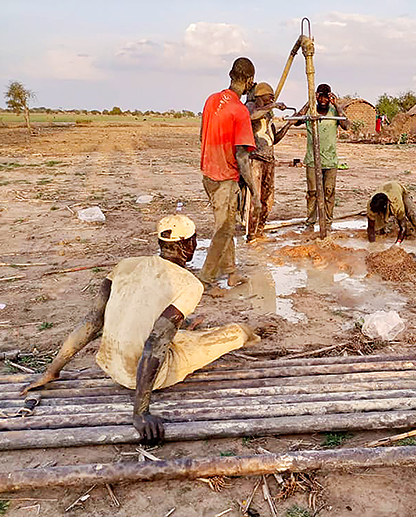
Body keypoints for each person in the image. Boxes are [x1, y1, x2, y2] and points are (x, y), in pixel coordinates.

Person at [21, 215, 259, 443]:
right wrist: (140, 412)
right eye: (194, 241)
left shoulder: (125, 265)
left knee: (175, 328)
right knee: (235, 333)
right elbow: (155, 343)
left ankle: (186, 330)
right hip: (146, 376)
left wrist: (52, 371)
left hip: (111, 364)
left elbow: (92, 323)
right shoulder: (189, 284)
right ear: (189, 244)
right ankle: (251, 333)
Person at [199, 57, 261, 288]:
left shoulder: (211, 100)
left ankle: (232, 272)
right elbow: (242, 158)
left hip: (208, 172)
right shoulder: (239, 111)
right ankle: (205, 278)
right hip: (225, 177)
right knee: (224, 230)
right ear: (249, 81)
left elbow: (202, 135)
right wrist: (254, 192)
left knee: (225, 224)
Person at [295, 84, 350, 228]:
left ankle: (327, 222)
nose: (323, 100)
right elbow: (295, 121)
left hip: (330, 161)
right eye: (320, 96)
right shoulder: (311, 111)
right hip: (313, 160)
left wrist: (337, 106)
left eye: (326, 96)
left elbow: (346, 125)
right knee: (312, 192)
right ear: (317, 97)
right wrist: (309, 102)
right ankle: (311, 221)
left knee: (329, 192)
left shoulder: (334, 112)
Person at [244, 82, 294, 240]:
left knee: (267, 199)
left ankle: (260, 230)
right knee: (255, 199)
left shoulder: (268, 114)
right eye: (268, 98)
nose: (270, 100)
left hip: (269, 160)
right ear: (258, 97)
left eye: (271, 98)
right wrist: (272, 106)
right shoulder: (250, 106)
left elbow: (274, 139)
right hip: (255, 159)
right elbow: (252, 116)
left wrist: (288, 125)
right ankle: (251, 234)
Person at [366, 181, 416, 251]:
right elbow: (371, 228)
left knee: (414, 218)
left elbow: (403, 227)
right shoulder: (371, 206)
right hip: (386, 193)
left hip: (401, 192)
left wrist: (397, 243)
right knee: (377, 227)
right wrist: (372, 247)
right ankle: (383, 232)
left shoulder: (397, 205)